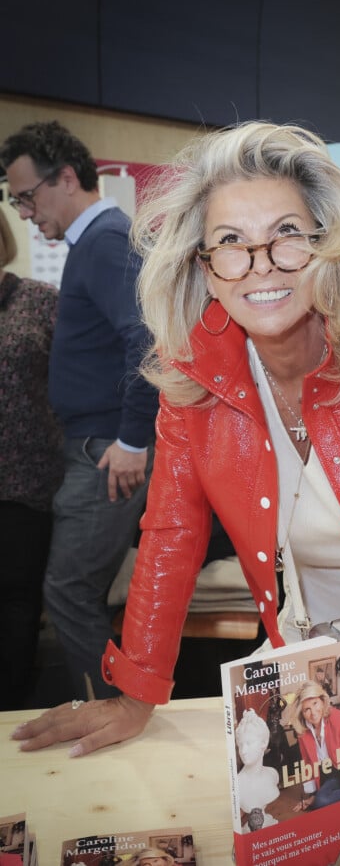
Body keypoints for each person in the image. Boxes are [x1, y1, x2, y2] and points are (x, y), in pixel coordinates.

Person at [10, 121, 340, 764]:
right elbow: (171, 533)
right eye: (231, 242)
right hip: (315, 642)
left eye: (285, 233)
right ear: (204, 266)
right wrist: (136, 691)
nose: (260, 265)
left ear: (323, 242)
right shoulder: (191, 383)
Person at [0, 121, 158, 701]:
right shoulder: (94, 243)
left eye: (26, 196)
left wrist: (134, 441)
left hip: (106, 448)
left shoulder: (106, 240)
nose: (22, 212)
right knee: (72, 590)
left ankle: (108, 714)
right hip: (95, 444)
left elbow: (149, 341)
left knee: (68, 590)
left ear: (65, 177)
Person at [0, 208, 63, 710]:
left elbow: (77, 381)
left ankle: (11, 708)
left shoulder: (39, 302)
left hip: (26, 481)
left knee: (17, 605)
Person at [289, 680, 340, 811]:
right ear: (302, 713)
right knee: (319, 801)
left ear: (322, 701)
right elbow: (307, 762)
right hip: (327, 775)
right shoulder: (302, 732)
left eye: (315, 703)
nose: (313, 712)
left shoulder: (337, 718)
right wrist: (312, 794)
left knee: (321, 802)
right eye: (307, 709)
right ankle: (320, 797)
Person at [235, 708, 280, 828]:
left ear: (264, 743)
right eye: (240, 745)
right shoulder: (238, 784)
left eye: (249, 743)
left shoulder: (272, 774)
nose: (243, 751)